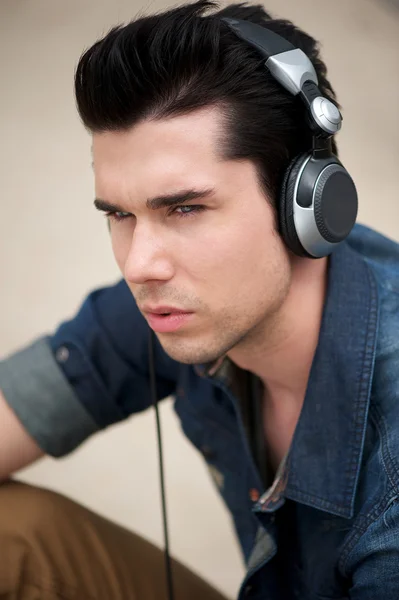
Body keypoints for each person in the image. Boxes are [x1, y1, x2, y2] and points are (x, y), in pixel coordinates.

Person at [1, 0, 399, 598]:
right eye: (119, 214)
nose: (139, 266)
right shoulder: (180, 301)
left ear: (311, 208)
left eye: (184, 208)